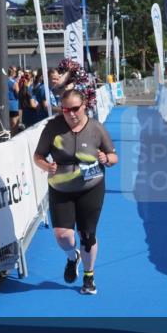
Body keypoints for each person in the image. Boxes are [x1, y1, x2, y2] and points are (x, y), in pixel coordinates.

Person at [33, 85, 118, 295]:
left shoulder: (96, 128)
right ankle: (73, 257)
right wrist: (47, 166)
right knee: (63, 236)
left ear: (85, 106)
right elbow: (38, 156)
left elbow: (114, 156)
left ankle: (89, 277)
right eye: (65, 109)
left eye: (75, 108)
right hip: (61, 188)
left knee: (87, 235)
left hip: (91, 187)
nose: (71, 113)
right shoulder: (53, 128)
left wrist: (106, 159)